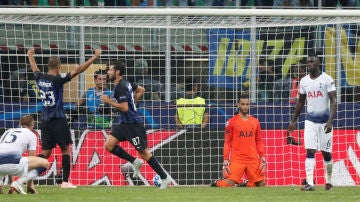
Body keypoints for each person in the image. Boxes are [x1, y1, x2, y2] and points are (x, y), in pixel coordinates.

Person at [27, 48, 102, 188]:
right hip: (58, 119)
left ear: (48, 66)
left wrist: (30, 55)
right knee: (65, 149)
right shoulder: (57, 80)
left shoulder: (40, 78)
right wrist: (94, 57)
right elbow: (79, 70)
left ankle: (26, 171)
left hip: (45, 120)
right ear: (58, 67)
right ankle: (65, 182)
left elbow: (34, 68)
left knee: (46, 152)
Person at [100, 60, 171, 189]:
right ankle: (134, 161)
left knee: (144, 152)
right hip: (124, 124)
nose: (108, 73)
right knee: (109, 145)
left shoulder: (121, 87)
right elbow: (141, 90)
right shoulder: (125, 84)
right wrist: (133, 101)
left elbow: (125, 108)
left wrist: (108, 101)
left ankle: (165, 178)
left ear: (117, 72)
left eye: (110, 70)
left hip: (133, 124)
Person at [288, 52, 337, 191]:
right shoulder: (304, 81)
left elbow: (334, 100)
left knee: (326, 153)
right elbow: (301, 102)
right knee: (310, 150)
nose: (309, 64)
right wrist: (293, 121)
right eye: (308, 62)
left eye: (312, 62)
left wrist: (330, 121)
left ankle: (329, 181)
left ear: (318, 63)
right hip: (310, 121)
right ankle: (310, 183)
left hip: (325, 122)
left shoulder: (327, 79)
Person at [211, 94, 266, 187]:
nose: (245, 107)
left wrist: (262, 157)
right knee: (228, 185)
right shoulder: (231, 122)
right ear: (238, 104)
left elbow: (259, 141)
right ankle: (217, 183)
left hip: (252, 159)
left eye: (247, 104)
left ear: (249, 105)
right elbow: (227, 142)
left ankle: (245, 184)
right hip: (237, 159)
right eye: (243, 104)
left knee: (261, 185)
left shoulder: (255, 121)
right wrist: (225, 159)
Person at [0, 115, 49, 194]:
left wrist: (10, 183)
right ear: (33, 125)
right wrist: (30, 185)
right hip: (12, 165)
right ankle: (19, 183)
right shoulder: (31, 134)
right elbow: (32, 158)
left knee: (7, 159)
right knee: (45, 163)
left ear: (20, 124)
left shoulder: (8, 131)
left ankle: (0, 183)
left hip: (1, 166)